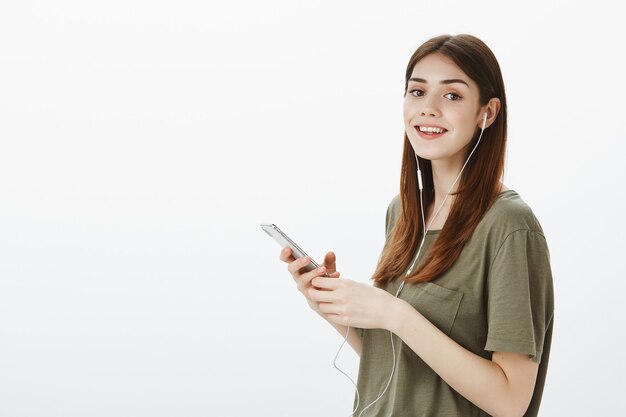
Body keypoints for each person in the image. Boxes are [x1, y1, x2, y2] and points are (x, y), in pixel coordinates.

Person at [279, 34, 554, 417]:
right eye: (417, 92)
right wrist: (332, 306)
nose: (428, 109)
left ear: (486, 113)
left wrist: (394, 313)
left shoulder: (508, 225)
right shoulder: (404, 212)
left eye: (452, 96)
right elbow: (399, 361)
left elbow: (510, 401)